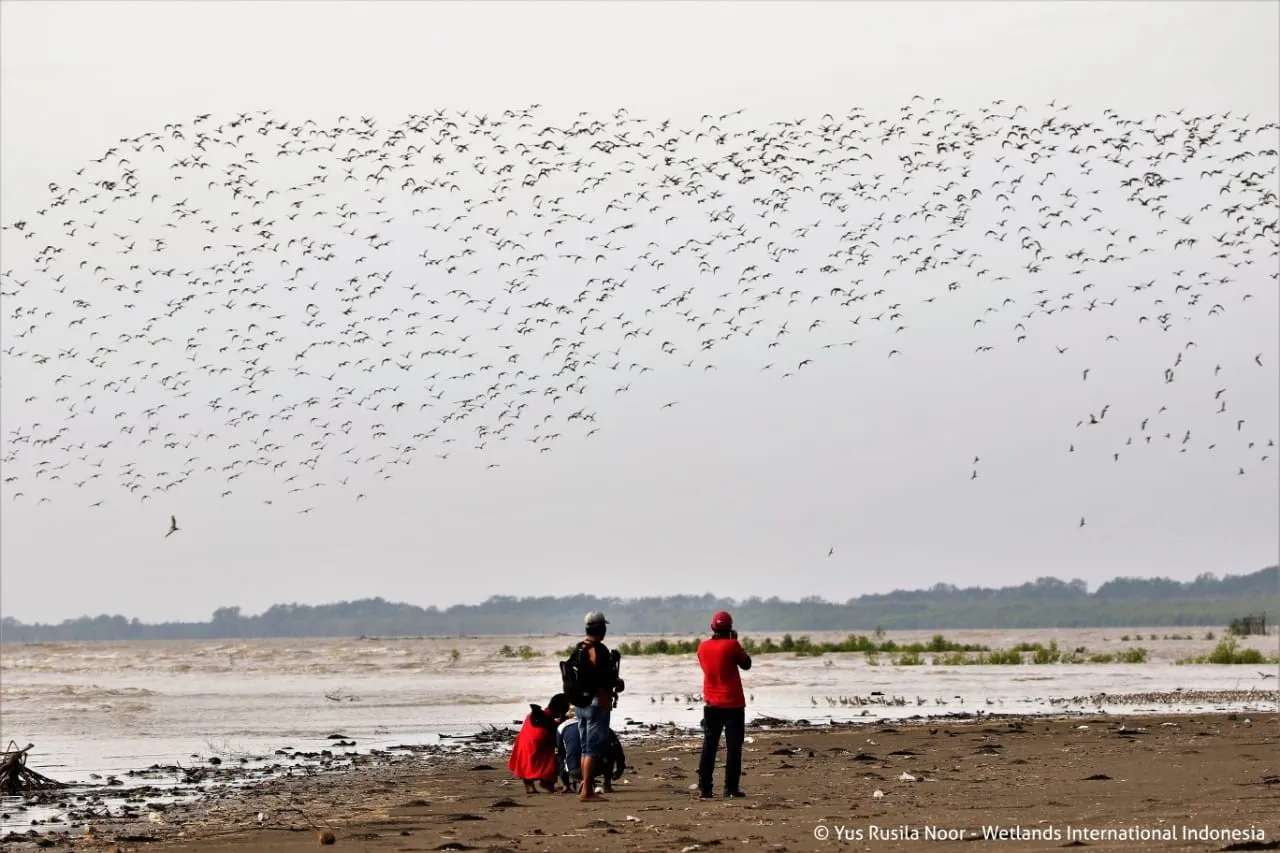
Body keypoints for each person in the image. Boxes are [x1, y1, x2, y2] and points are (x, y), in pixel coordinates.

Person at [696, 610, 752, 799]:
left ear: (712, 627)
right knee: (734, 747)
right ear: (729, 628)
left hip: (711, 703)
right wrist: (734, 641)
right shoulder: (732, 645)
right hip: (733, 703)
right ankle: (731, 788)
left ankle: (705, 788)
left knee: (709, 745)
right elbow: (746, 664)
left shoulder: (702, 648)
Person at [571, 610, 625, 802]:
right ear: (601, 629)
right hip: (596, 703)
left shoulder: (579, 648)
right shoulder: (600, 651)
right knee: (592, 749)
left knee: (585, 747)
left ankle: (586, 788)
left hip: (580, 705)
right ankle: (587, 791)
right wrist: (618, 683)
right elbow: (606, 679)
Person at [507, 693, 571, 794]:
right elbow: (556, 741)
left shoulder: (531, 715)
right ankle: (547, 782)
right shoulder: (550, 723)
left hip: (520, 753)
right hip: (535, 755)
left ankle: (529, 785)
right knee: (559, 754)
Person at [556, 714, 626, 794]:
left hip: (574, 770)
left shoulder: (561, 727)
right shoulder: (599, 724)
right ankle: (607, 784)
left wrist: (565, 781)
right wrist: (620, 768)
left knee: (562, 754)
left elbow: (560, 753)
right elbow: (617, 748)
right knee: (609, 749)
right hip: (597, 768)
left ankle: (569, 785)